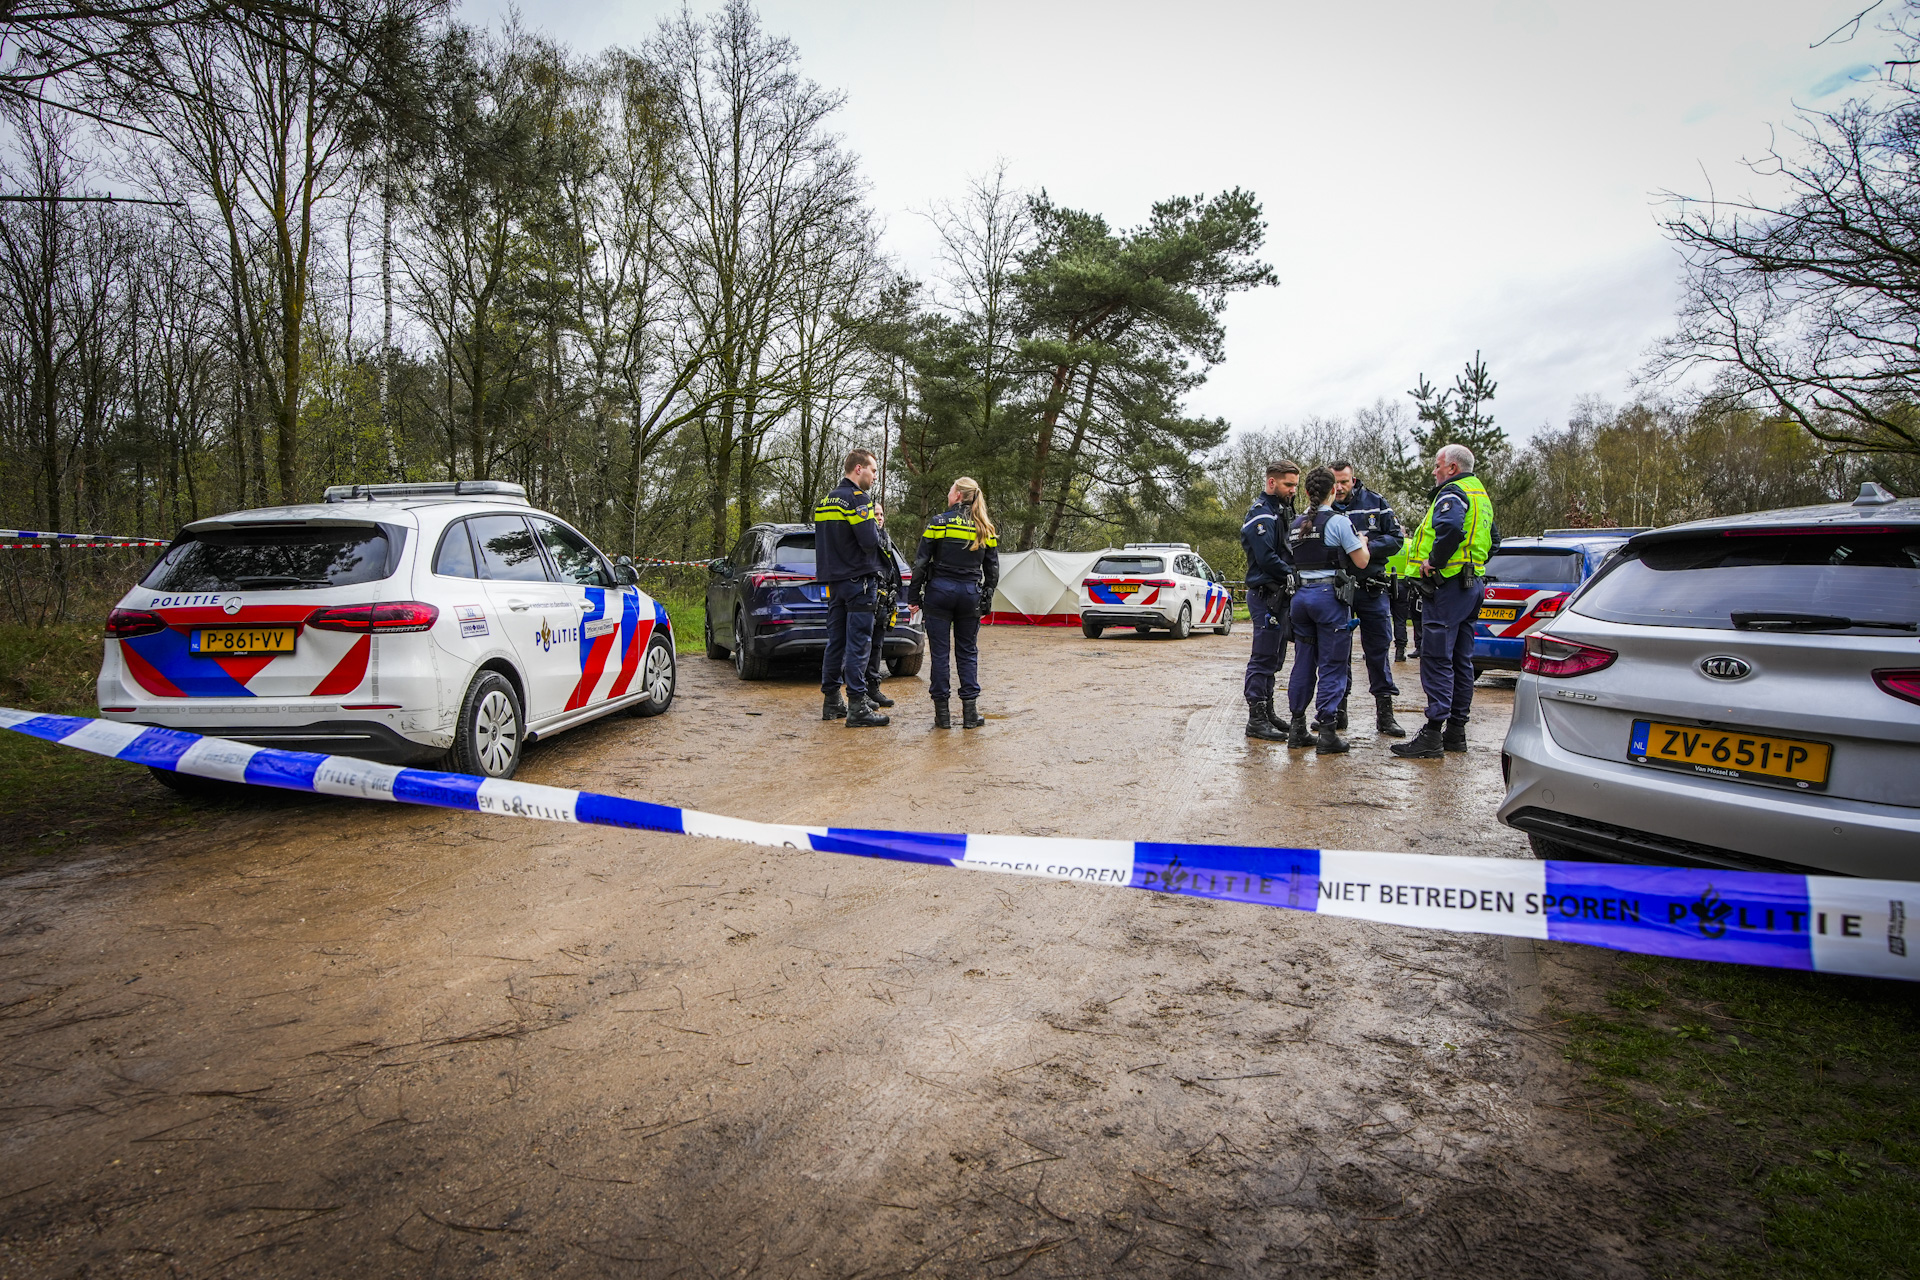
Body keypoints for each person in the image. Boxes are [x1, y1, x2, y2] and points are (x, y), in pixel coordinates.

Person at [1391, 443, 1499, 760]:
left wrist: (1435, 562)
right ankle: (1456, 732)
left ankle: (1432, 733)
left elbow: (1449, 527)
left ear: (1451, 467)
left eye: (1437, 466)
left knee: (1437, 658)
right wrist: (1473, 562)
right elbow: (1495, 538)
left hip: (1449, 586)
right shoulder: (1481, 495)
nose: (1435, 471)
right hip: (1472, 582)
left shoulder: (1452, 493)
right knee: (1461, 661)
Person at [1286, 467, 1369, 754]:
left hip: (1301, 599)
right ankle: (1327, 730)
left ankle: (1297, 727)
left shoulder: (1296, 523)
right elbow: (1360, 562)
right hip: (1328, 598)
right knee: (1333, 663)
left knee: (1303, 662)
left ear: (1307, 492)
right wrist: (1364, 543)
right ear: (1333, 490)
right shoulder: (1339, 522)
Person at [908, 476, 1000, 729]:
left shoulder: (939, 522)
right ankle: (970, 715)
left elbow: (921, 563)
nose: (948, 494)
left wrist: (913, 597)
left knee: (940, 654)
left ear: (958, 495)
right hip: (970, 595)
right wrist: (986, 598)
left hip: (939, 592)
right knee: (968, 653)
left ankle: (943, 716)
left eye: (950, 491)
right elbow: (992, 570)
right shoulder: (985, 527)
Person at [1330, 461, 1406, 738]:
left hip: (1372, 587)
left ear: (1353, 479)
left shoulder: (1376, 502)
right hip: (1338, 590)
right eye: (1335, 482)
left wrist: (1364, 547)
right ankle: (1338, 712)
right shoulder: (1324, 507)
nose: (1339, 488)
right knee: (1338, 651)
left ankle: (1385, 716)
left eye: (1344, 482)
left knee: (1378, 650)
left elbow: (1396, 538)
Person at [814, 448, 890, 728]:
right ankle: (857, 705)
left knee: (836, 642)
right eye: (872, 470)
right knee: (859, 644)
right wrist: (874, 524)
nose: (873, 477)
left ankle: (832, 700)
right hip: (859, 581)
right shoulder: (858, 499)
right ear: (858, 469)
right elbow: (870, 540)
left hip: (835, 583)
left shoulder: (825, 501)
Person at [1240, 460, 1300, 741]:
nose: (1293, 491)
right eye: (1288, 485)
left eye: (1295, 486)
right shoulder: (1261, 514)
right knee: (1263, 657)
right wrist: (1293, 574)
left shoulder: (1282, 511)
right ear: (1272, 482)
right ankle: (1256, 717)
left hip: (1279, 595)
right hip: (1266, 595)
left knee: (1275, 658)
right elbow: (1266, 558)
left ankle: (1268, 710)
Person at [863, 501, 904, 708]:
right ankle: (859, 692)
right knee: (863, 645)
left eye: (881, 514)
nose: (879, 517)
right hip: (866, 598)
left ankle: (873, 687)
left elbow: (893, 569)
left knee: (877, 645)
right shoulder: (866, 539)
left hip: (884, 600)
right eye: (875, 514)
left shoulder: (886, 539)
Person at [1387, 541, 1421, 662]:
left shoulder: (1384, 542)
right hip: (1402, 585)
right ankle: (1400, 651)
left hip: (1384, 582)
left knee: (1382, 617)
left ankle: (1380, 648)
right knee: (1400, 620)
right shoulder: (1409, 544)